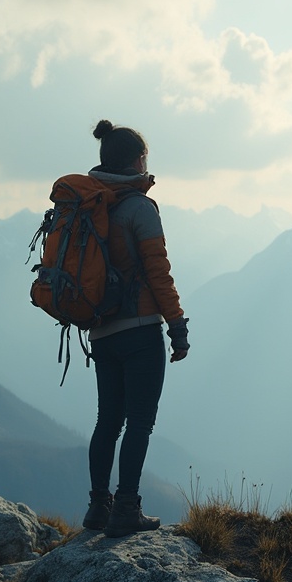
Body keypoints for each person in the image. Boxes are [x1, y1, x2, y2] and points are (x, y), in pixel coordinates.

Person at [82, 119, 189, 537]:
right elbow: (158, 274)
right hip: (141, 331)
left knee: (107, 419)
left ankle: (97, 507)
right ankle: (126, 507)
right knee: (140, 422)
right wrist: (177, 325)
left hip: (101, 332)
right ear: (138, 160)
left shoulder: (93, 204)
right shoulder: (139, 209)